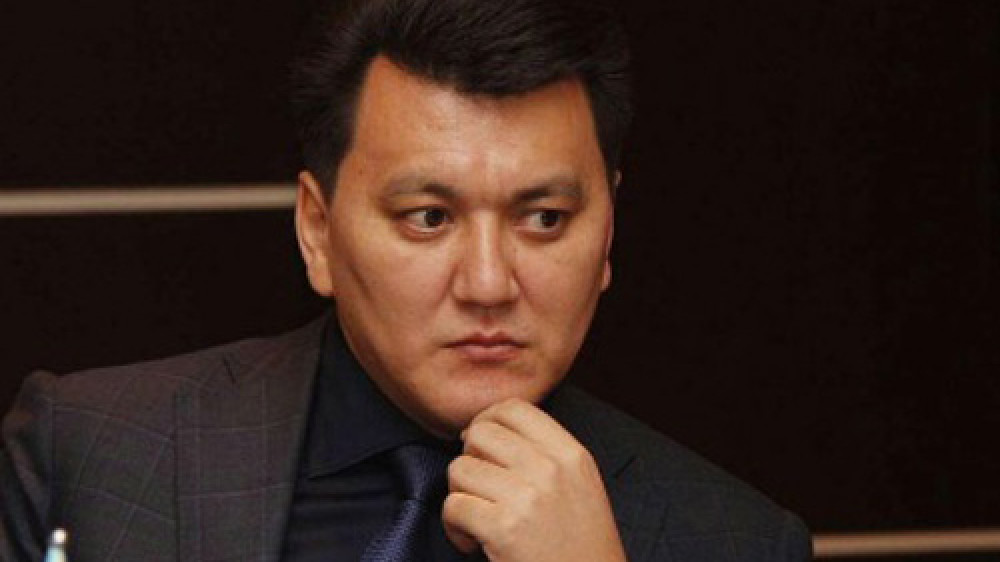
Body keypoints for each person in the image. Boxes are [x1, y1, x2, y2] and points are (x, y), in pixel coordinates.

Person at [1, 0, 812, 560]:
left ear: (608, 231)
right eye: (429, 217)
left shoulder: (738, 540)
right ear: (318, 230)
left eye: (544, 218)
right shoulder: (94, 450)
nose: (488, 283)